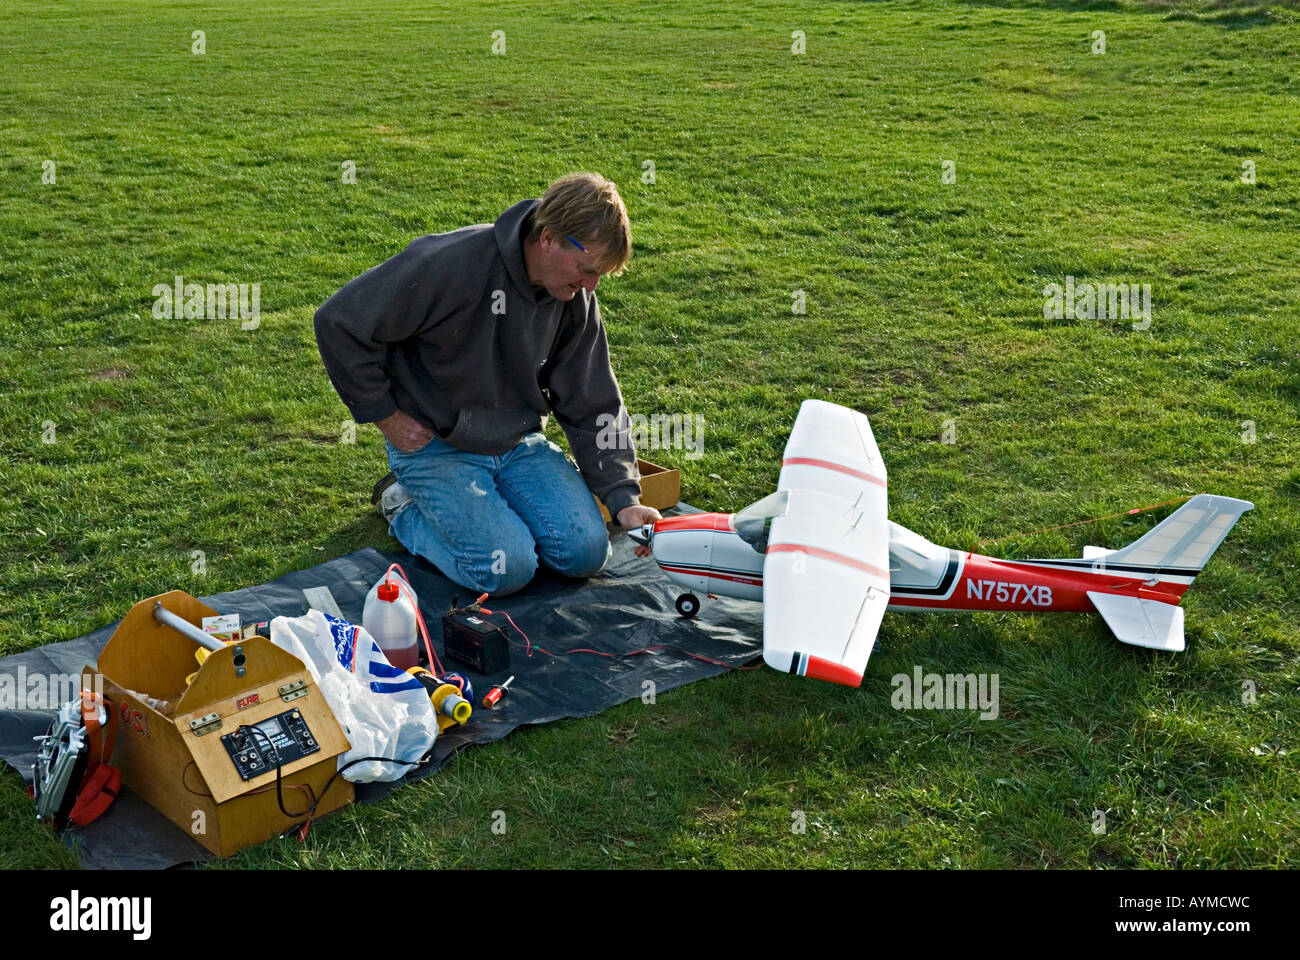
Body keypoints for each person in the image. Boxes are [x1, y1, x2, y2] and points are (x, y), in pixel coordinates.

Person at [313, 172, 660, 595]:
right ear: (548, 238)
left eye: (600, 275)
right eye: (587, 270)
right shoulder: (448, 262)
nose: (591, 285)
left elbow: (593, 397)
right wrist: (385, 415)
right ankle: (402, 503)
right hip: (434, 444)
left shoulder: (572, 295)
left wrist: (623, 498)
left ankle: (496, 510)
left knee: (586, 553)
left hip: (518, 442)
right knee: (504, 569)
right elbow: (338, 322)